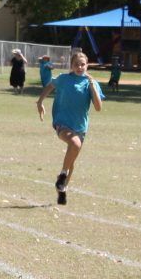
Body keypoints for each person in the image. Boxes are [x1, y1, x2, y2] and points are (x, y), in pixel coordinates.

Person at [37, 49, 104, 206]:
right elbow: (49, 86)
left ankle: (62, 189)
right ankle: (62, 176)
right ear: (71, 66)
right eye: (76, 65)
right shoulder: (64, 79)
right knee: (74, 144)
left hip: (80, 127)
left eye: (82, 64)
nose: (79, 67)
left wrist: (93, 87)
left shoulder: (91, 83)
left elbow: (98, 107)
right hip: (62, 122)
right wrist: (40, 102)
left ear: (87, 65)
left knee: (71, 159)